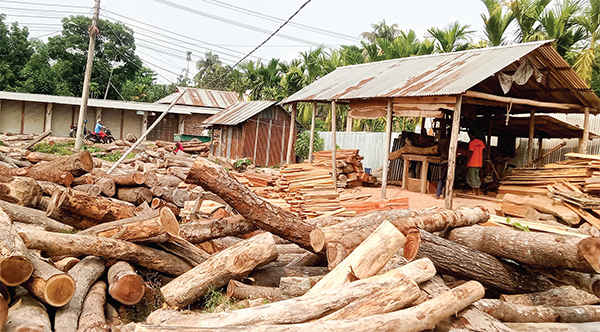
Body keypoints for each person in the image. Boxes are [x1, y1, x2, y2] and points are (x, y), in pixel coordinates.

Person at [466, 130, 485, 195]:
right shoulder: (481, 142)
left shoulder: (471, 143)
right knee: (477, 176)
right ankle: (478, 190)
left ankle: (473, 191)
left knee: (472, 177)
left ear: (471, 135)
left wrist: (468, 161)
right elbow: (485, 149)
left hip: (472, 162)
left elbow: (470, 153)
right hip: (479, 162)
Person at [436, 129, 450, 199]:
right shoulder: (451, 142)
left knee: (441, 178)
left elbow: (438, 150)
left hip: (443, 160)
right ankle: (445, 195)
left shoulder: (441, 142)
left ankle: (438, 195)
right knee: (448, 179)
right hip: (450, 161)